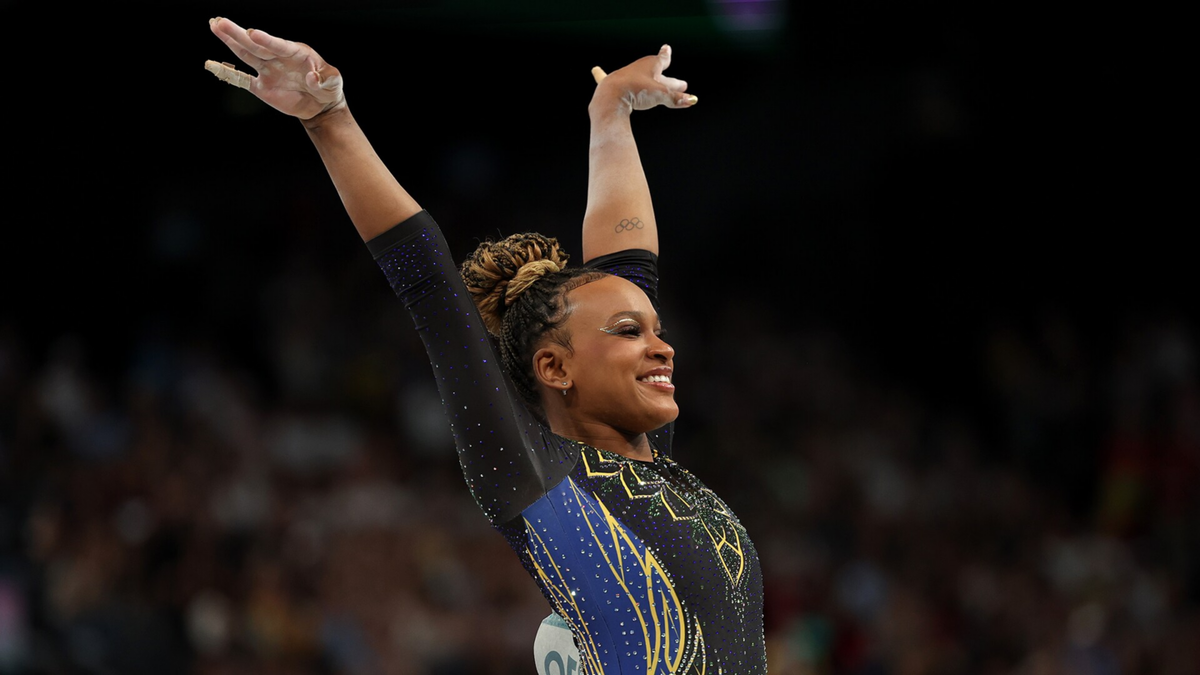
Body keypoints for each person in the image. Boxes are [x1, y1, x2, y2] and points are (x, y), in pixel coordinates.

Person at [206, 17, 766, 673]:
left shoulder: (653, 472)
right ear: (555, 368)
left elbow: (631, 263)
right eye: (628, 332)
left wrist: (610, 116)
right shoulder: (540, 482)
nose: (662, 346)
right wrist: (330, 119)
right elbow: (430, 287)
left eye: (656, 328)